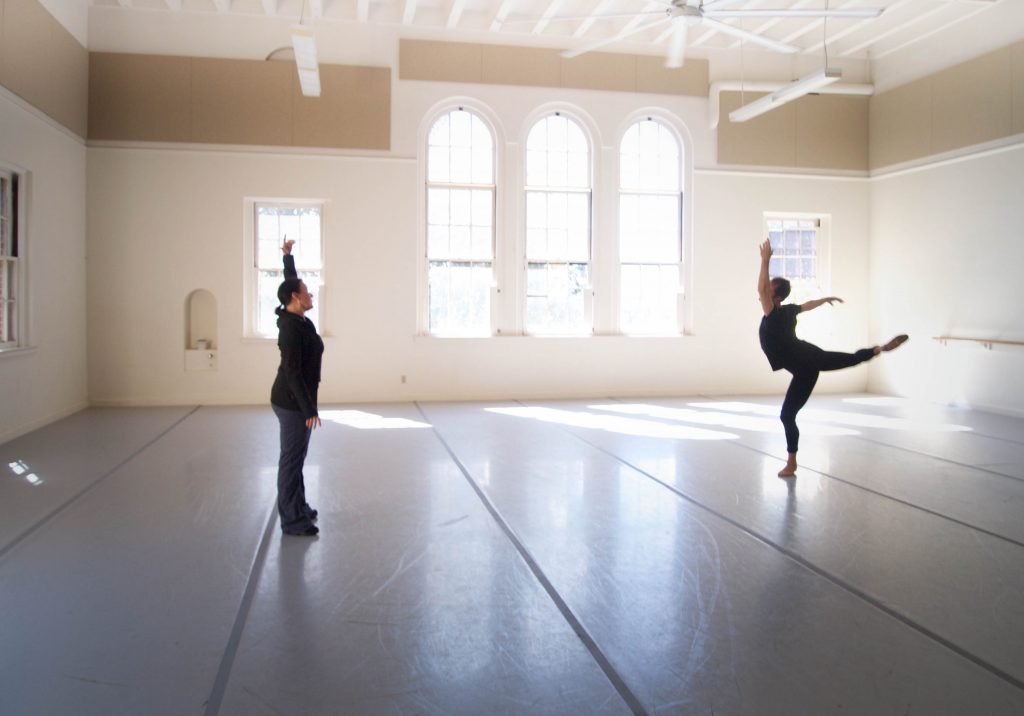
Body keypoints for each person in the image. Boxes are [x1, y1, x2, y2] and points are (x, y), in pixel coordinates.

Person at [757, 238, 907, 477]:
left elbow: (762, 290)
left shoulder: (773, 313)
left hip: (805, 366)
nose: (764, 292)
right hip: (811, 355)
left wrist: (765, 261)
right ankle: (878, 349)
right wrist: (824, 300)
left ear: (775, 297)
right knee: (849, 359)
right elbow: (806, 305)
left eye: (769, 289)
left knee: (787, 415)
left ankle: (791, 463)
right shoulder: (787, 310)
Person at [271, 239, 324, 536]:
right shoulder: (290, 329)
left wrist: (288, 260)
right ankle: (291, 519)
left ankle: (299, 507)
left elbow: (289, 283)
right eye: (305, 292)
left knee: (298, 457)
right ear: (295, 297)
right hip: (291, 402)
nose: (310, 293)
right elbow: (292, 372)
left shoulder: (297, 317)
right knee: (291, 460)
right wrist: (308, 409)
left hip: (297, 401)